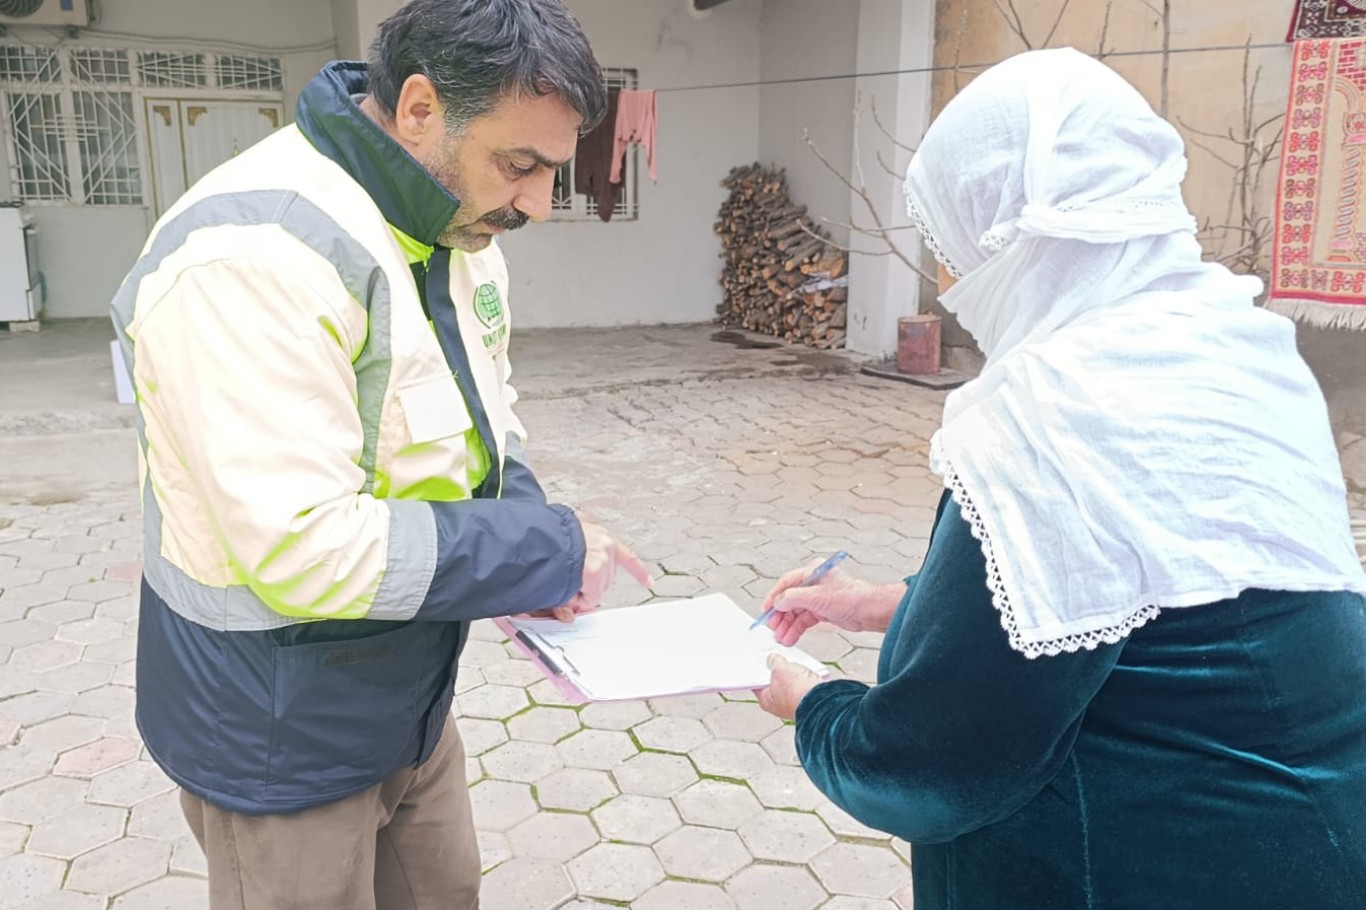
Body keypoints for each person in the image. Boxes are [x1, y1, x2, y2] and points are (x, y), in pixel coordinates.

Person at [756, 48, 1366, 910]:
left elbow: (937, 769)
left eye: (956, 240)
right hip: (1311, 845)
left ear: (1012, 228)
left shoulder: (1058, 414)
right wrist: (885, 602)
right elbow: (1146, 592)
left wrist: (812, 704)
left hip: (1144, 868)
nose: (952, 276)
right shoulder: (1230, 348)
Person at [109, 2, 649, 908]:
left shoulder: (453, 229)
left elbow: (486, 421)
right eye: (521, 166)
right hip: (278, 730)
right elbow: (304, 549)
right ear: (419, 109)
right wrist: (546, 550)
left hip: (407, 704)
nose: (538, 206)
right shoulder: (253, 256)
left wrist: (528, 551)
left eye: (554, 171)